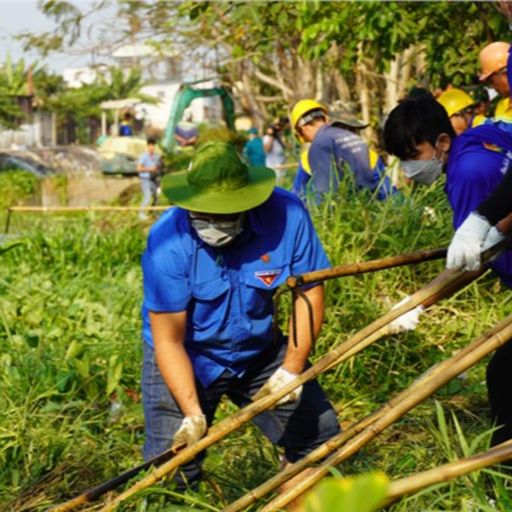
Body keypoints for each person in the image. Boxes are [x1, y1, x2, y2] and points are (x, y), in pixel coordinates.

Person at [140, 141, 340, 488]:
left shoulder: (287, 215)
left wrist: (292, 368)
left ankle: (296, 495)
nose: (214, 224)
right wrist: (192, 413)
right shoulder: (167, 242)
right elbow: (168, 341)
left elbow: (308, 290)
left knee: (319, 441)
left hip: (259, 350)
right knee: (171, 471)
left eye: (225, 214)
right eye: (204, 215)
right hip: (189, 355)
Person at [383, 94, 512, 446]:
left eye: (414, 157)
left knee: (504, 378)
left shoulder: (466, 174)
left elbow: (472, 263)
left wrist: (417, 303)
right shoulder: (480, 136)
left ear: (442, 142)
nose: (410, 169)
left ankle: (501, 475)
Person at [290, 99, 395, 204]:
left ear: (302, 129)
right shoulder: (367, 155)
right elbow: (389, 193)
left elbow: (297, 197)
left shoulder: (309, 157)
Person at [137, 138, 162, 220]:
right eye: (150, 146)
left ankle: (155, 212)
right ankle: (141, 214)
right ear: (147, 146)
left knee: (156, 197)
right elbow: (139, 168)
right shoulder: (143, 156)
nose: (151, 147)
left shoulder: (156, 157)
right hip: (145, 179)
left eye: (153, 146)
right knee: (147, 196)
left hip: (154, 179)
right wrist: (150, 169)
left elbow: (158, 167)